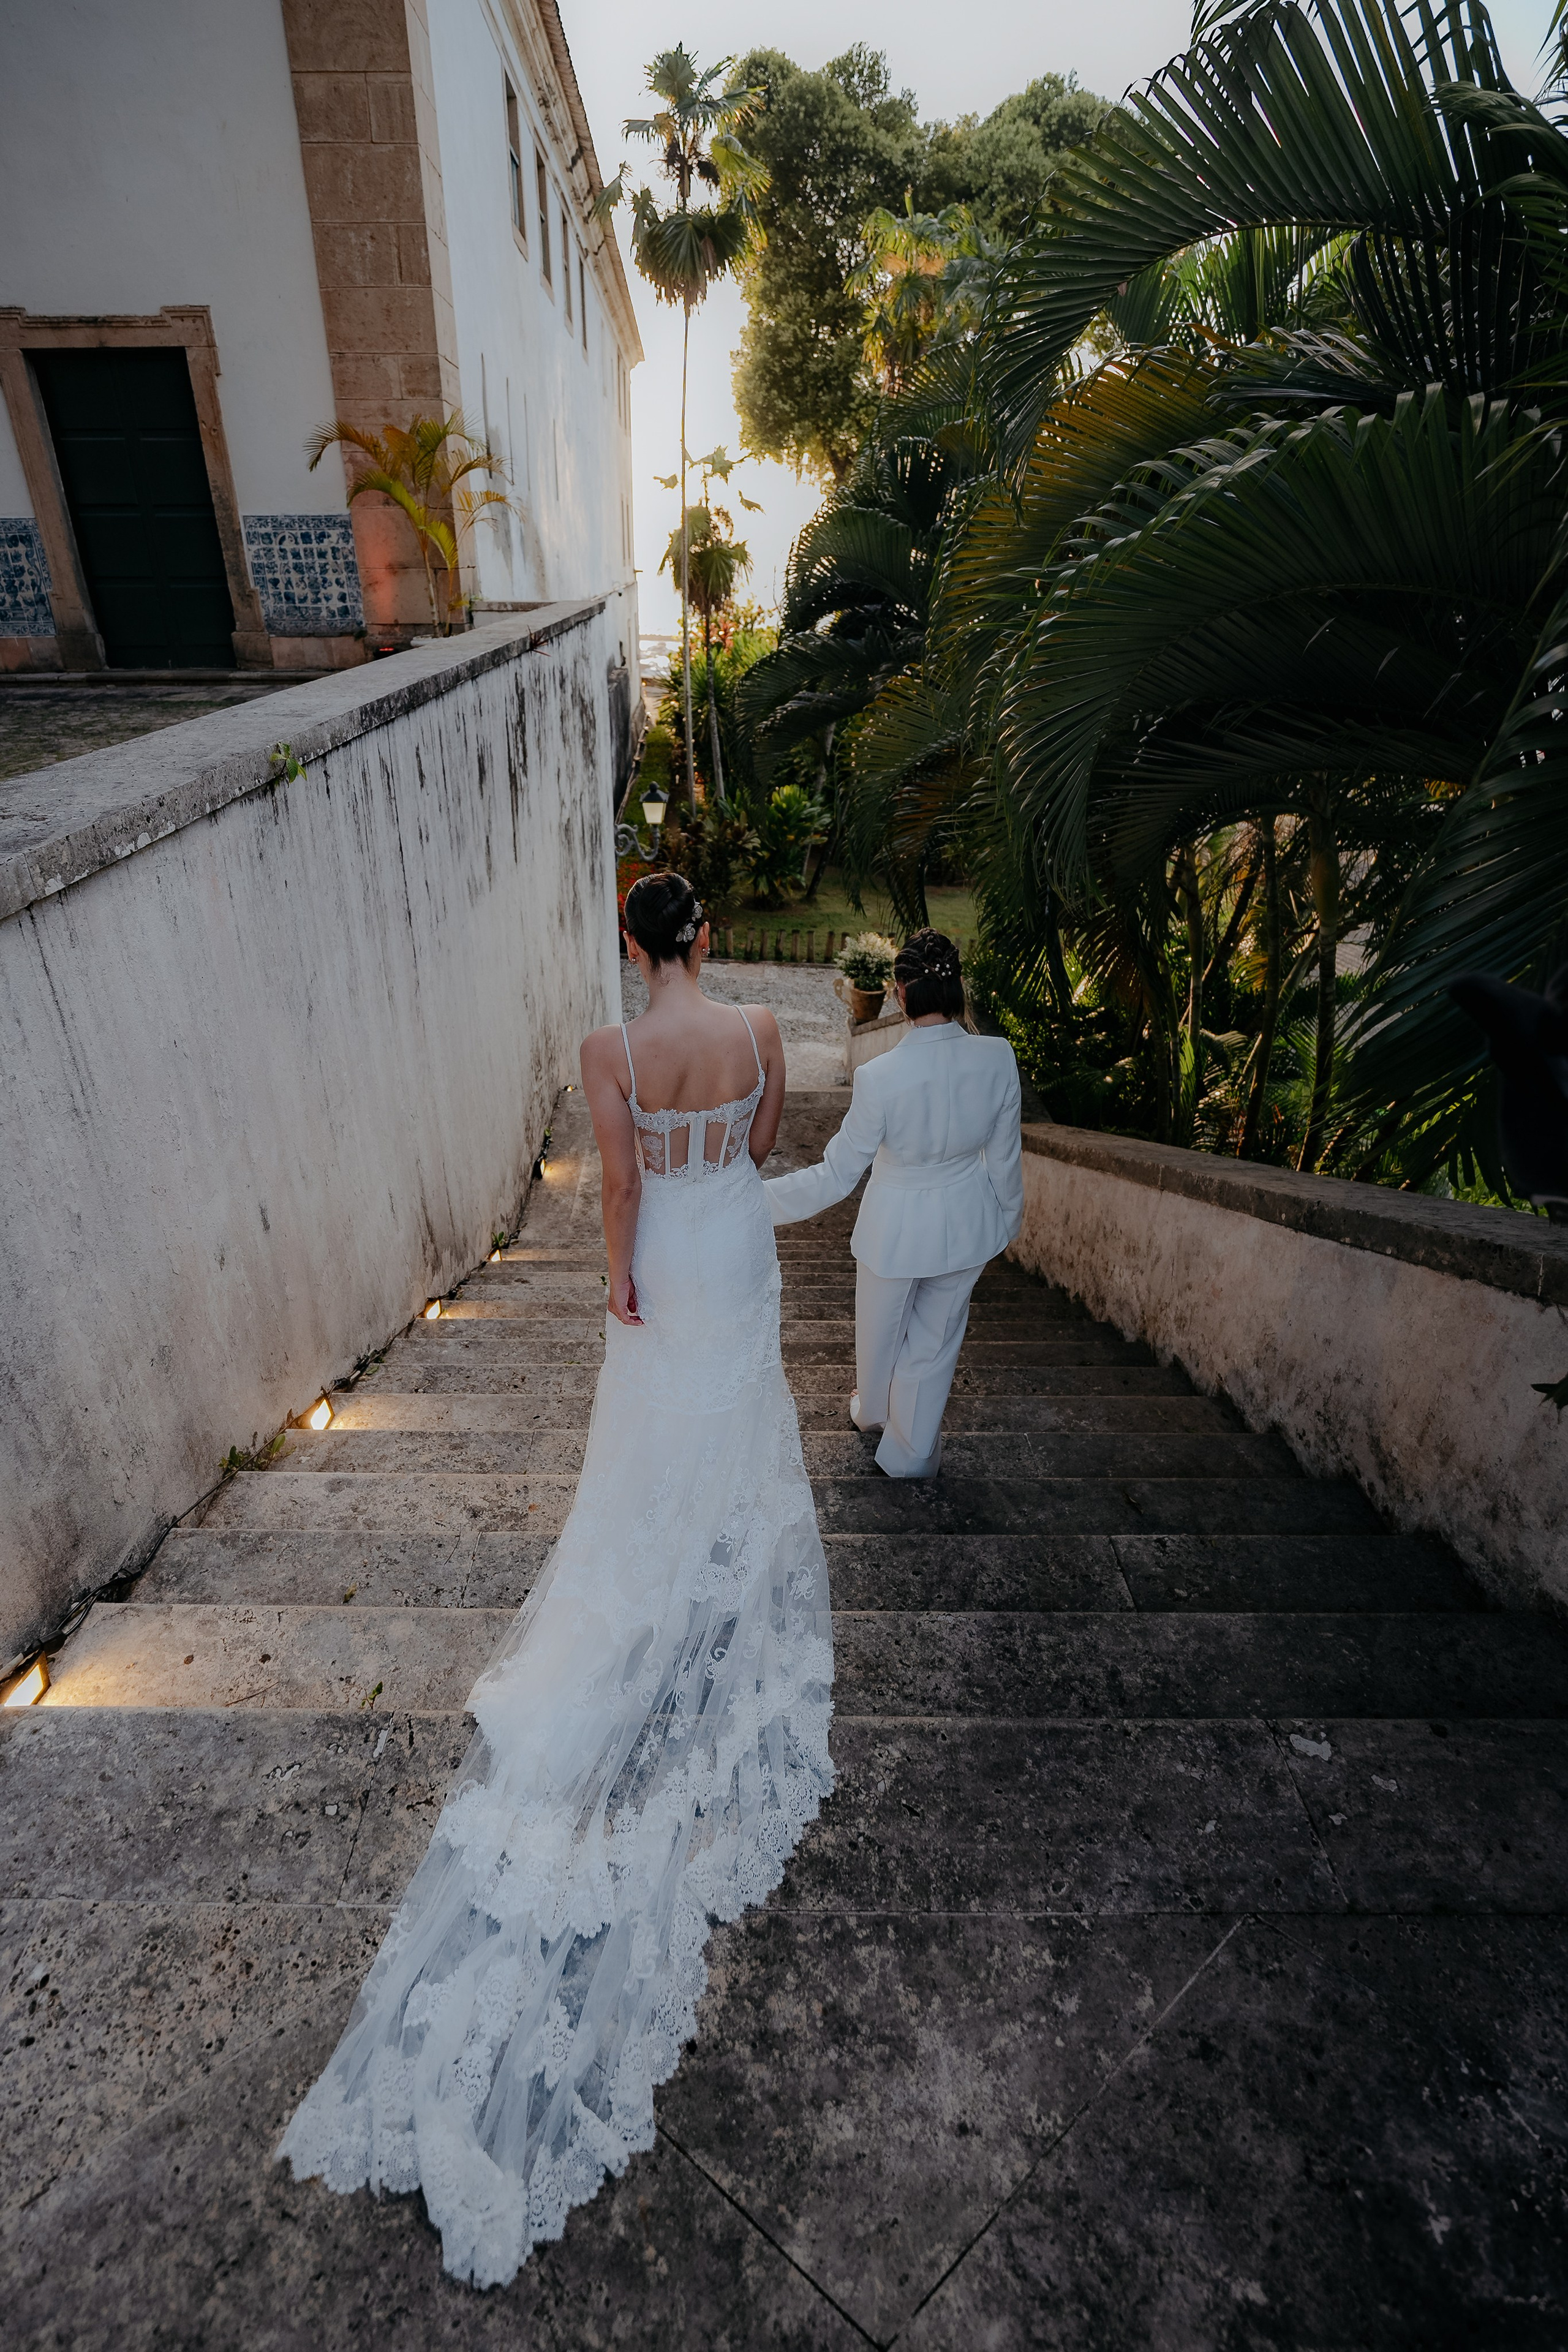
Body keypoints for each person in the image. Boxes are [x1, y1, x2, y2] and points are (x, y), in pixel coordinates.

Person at [277, 872, 835, 2289]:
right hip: (735, 1243)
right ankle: (713, 1564)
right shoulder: (761, 1028)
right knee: (733, 1420)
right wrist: (710, 1178)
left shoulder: (609, 1049)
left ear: (631, 944)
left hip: (670, 1252)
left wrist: (617, 1282)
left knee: (647, 1444)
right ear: (703, 938)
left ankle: (649, 1572)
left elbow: (622, 1182)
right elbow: (758, 1142)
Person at [764, 930, 1022, 1477]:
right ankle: (910, 1454)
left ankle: (873, 1412)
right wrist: (1005, 1222)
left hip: (894, 1230)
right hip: (969, 1222)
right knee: (935, 1342)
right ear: (956, 987)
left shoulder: (879, 1077)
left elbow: (837, 1175)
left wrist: (754, 1203)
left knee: (880, 1333)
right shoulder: (999, 1057)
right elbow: (1005, 1159)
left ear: (901, 994)